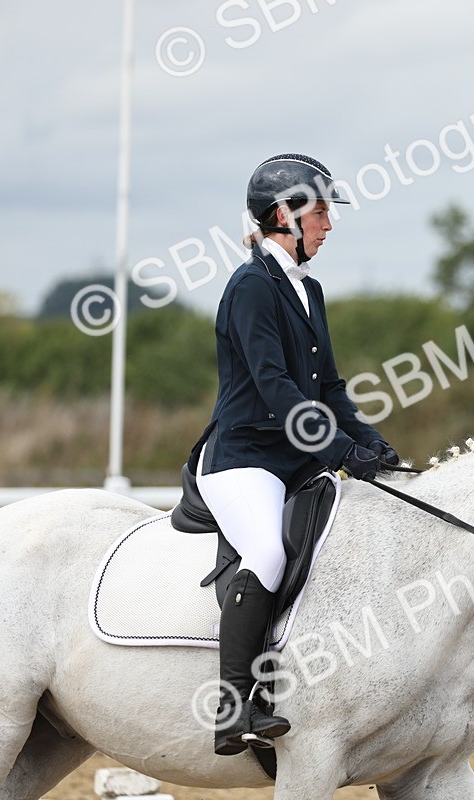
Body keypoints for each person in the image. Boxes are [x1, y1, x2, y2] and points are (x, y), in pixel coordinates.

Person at [185, 153, 399, 756]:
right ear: (284, 215)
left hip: (294, 453)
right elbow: (277, 389)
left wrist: (367, 442)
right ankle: (233, 704)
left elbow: (327, 387)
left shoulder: (310, 289)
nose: (329, 224)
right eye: (321, 212)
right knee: (266, 552)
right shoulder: (250, 286)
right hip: (245, 456)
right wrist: (337, 450)